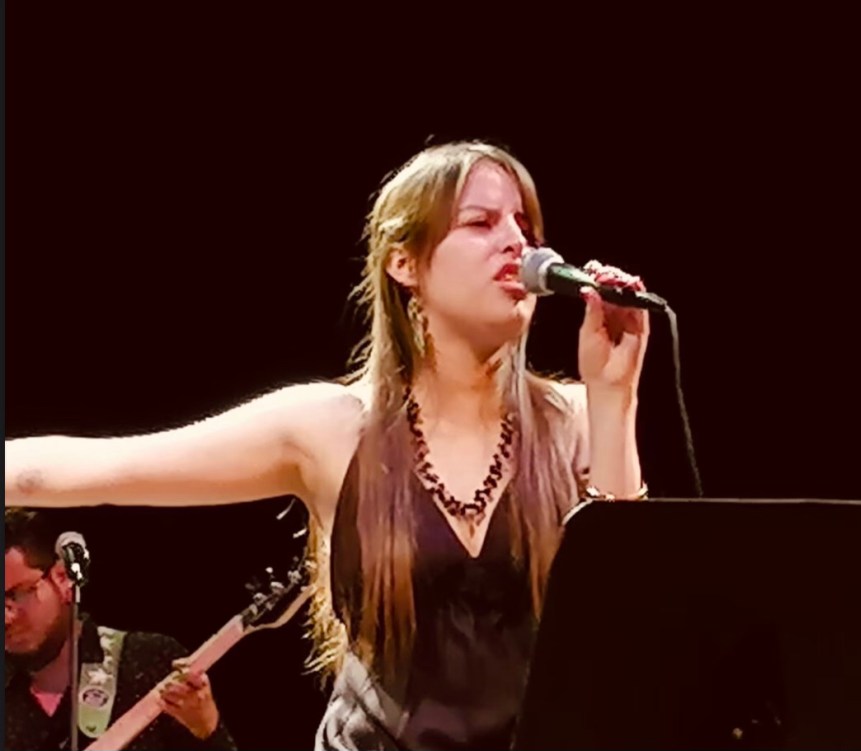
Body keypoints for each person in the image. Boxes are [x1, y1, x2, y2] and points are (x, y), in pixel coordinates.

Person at [5, 140, 652, 749]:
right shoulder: (332, 429)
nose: (516, 243)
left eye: (525, 226)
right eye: (481, 222)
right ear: (404, 263)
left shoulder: (572, 417)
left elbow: (624, 624)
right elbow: (91, 468)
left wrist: (615, 399)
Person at [5, 507, 236, 750]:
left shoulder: (148, 661)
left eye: (16, 594)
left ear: (63, 578)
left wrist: (206, 729)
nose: (6, 618)